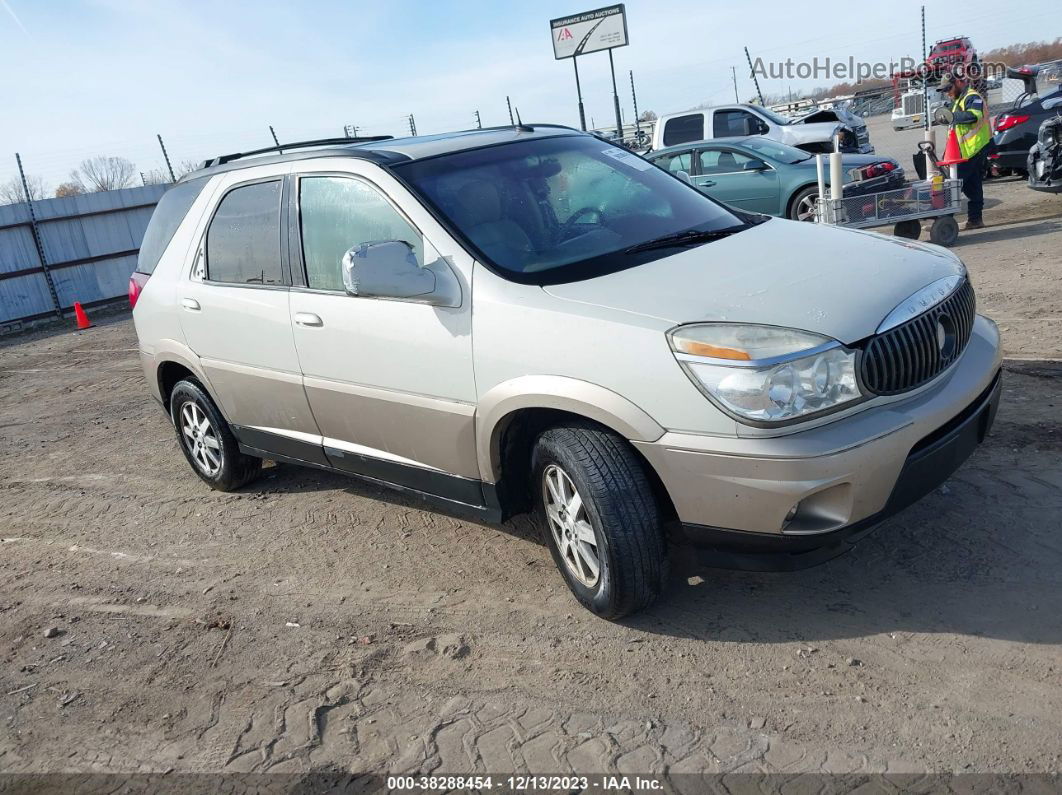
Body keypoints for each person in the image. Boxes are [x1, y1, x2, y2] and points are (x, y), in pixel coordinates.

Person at [934, 71, 992, 229]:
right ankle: (975, 220)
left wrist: (952, 116)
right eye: (945, 90)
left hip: (974, 150)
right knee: (972, 185)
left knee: (952, 185)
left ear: (959, 83)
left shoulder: (972, 97)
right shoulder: (959, 99)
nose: (948, 93)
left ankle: (944, 223)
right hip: (967, 151)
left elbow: (974, 116)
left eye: (949, 88)